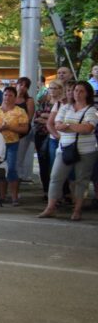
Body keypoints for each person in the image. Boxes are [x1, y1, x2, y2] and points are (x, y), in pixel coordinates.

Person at [38, 81, 97, 221]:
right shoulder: (65, 107)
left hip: (86, 150)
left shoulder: (92, 110)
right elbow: (57, 125)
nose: (77, 93)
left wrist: (68, 125)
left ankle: (77, 210)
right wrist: (77, 126)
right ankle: (50, 207)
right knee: (56, 177)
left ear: (87, 93)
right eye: (76, 90)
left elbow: (88, 128)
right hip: (65, 148)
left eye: (81, 91)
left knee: (81, 181)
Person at [0, 87, 30, 205]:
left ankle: (14, 197)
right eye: (5, 95)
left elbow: (25, 129)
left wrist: (10, 127)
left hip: (12, 143)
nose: (7, 97)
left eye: (10, 95)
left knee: (12, 169)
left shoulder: (20, 111)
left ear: (15, 97)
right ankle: (2, 195)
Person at [33, 80, 63, 200]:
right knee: (43, 164)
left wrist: (46, 118)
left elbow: (60, 121)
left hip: (57, 136)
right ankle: (46, 190)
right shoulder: (43, 102)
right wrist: (50, 120)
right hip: (41, 135)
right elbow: (36, 118)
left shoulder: (63, 104)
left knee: (56, 164)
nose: (52, 91)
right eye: (50, 88)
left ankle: (61, 192)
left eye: (55, 88)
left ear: (61, 89)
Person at [13, 77, 37, 183]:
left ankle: (18, 179)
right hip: (9, 132)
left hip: (23, 133)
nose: (22, 87)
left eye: (25, 86)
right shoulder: (10, 98)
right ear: (16, 84)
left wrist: (18, 128)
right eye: (20, 84)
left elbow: (29, 118)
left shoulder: (29, 100)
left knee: (19, 158)